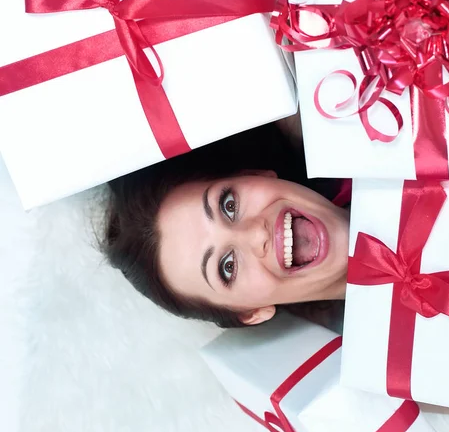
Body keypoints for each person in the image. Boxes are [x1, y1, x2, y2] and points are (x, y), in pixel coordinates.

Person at [101, 120, 350, 329]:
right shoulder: (373, 372)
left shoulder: (366, 117)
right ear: (252, 313)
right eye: (228, 267)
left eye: (228, 205)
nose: (255, 234)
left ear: (255, 174)